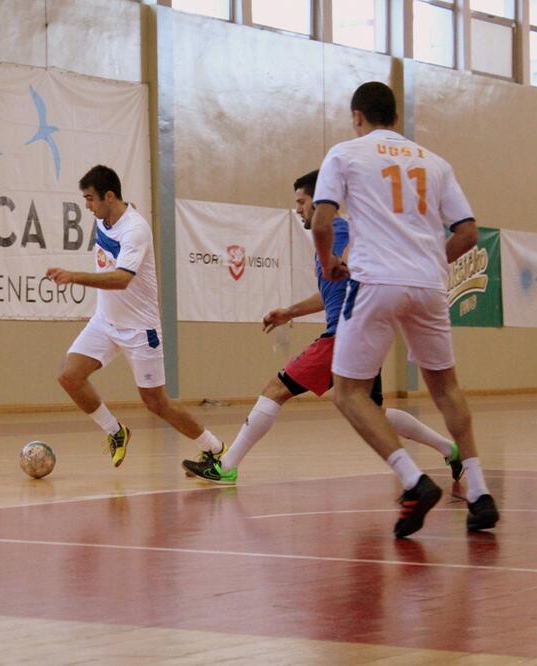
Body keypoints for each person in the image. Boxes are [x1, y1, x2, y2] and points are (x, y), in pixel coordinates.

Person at [182, 170, 462, 485]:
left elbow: (344, 261)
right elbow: (331, 290)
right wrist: (290, 312)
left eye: (301, 202)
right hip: (360, 335)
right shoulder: (333, 239)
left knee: (276, 390)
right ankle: (451, 449)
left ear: (320, 202)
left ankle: (227, 466)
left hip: (343, 336)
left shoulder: (336, 230)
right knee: (373, 412)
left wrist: (351, 261)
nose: (298, 209)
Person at [312, 81, 499, 537]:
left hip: (375, 281)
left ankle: (413, 480)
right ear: (396, 117)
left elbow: (321, 221)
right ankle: (479, 493)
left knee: (349, 393)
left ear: (357, 116)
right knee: (446, 388)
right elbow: (468, 233)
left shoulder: (346, 153)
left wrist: (329, 261)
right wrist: (432, 262)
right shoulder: (434, 162)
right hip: (429, 284)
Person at [47, 165, 223, 467]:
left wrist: (73, 276)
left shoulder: (135, 229)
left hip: (140, 330)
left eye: (90, 199)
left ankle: (214, 449)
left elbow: (121, 279)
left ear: (109, 196)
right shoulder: (103, 220)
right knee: (69, 376)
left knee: (156, 402)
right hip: (105, 321)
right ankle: (115, 431)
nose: (87, 206)